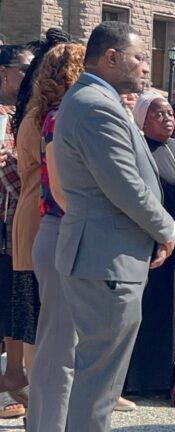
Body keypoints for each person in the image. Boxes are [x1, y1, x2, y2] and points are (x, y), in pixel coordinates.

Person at [52, 22, 175, 432]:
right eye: (139, 57)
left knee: (98, 377)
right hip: (106, 259)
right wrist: (167, 228)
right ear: (110, 57)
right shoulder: (95, 105)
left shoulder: (99, 100)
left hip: (105, 255)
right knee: (99, 381)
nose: (146, 66)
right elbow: (123, 186)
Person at [124, 93, 175, 395]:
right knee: (154, 315)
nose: (167, 118)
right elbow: (144, 199)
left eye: (170, 113)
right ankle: (144, 380)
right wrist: (171, 233)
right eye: (158, 114)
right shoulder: (140, 150)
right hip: (156, 248)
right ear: (142, 120)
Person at [22, 42, 85, 432]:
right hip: (64, 230)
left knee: (55, 349)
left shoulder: (48, 116)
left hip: (57, 231)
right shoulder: (62, 119)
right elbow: (62, 193)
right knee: (60, 351)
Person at [0, 43, 33, 411]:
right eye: (23, 68)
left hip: (15, 230)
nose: (27, 76)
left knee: (14, 306)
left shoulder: (23, 113)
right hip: (11, 221)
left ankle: (16, 380)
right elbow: (11, 176)